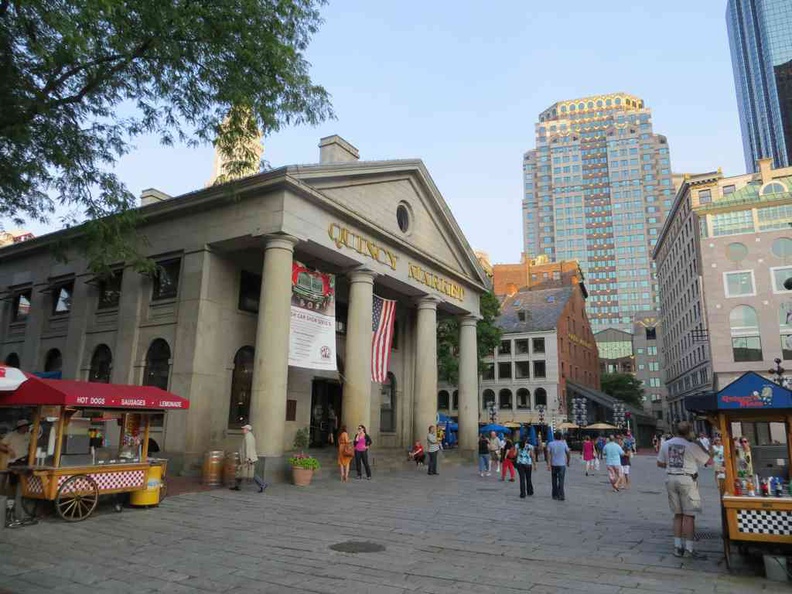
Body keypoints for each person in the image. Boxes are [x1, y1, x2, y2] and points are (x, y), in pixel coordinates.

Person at [657, 421, 713, 559]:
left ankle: (677, 547)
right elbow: (709, 461)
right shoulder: (692, 445)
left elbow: (659, 463)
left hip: (671, 478)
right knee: (689, 515)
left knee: (677, 515)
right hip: (687, 480)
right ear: (689, 431)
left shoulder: (666, 444)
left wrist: (673, 467)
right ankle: (689, 548)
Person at [1, 420, 32, 528]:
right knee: (13, 485)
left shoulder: (29, 435)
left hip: (25, 461)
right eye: (26, 427)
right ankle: (11, 507)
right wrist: (9, 450)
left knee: (25, 482)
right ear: (21, 427)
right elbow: (1, 445)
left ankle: (23, 503)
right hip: (14, 462)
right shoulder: (11, 435)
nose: (27, 428)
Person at [231, 424, 266, 493]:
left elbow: (248, 448)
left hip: (248, 458)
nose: (242, 430)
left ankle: (263, 484)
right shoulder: (248, 436)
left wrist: (247, 458)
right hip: (247, 458)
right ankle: (237, 486)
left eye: (244, 429)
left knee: (252, 473)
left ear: (247, 430)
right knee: (241, 471)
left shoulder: (248, 437)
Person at [546, 432, 570, 501]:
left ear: (554, 436)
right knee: (561, 480)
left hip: (554, 464)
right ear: (561, 437)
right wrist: (568, 461)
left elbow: (548, 454)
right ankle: (561, 495)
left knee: (554, 480)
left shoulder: (550, 444)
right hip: (562, 464)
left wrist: (548, 464)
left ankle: (555, 495)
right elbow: (568, 453)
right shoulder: (564, 443)